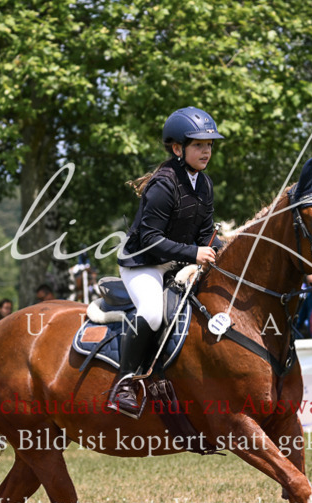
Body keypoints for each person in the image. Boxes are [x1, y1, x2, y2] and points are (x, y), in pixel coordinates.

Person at [108, 106, 225, 417]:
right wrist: (194, 254)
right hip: (143, 264)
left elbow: (204, 233)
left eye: (209, 145)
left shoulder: (205, 184)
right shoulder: (164, 183)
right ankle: (125, 384)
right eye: (199, 144)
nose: (206, 151)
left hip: (176, 264)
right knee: (153, 313)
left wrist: (220, 246)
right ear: (178, 148)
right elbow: (150, 239)